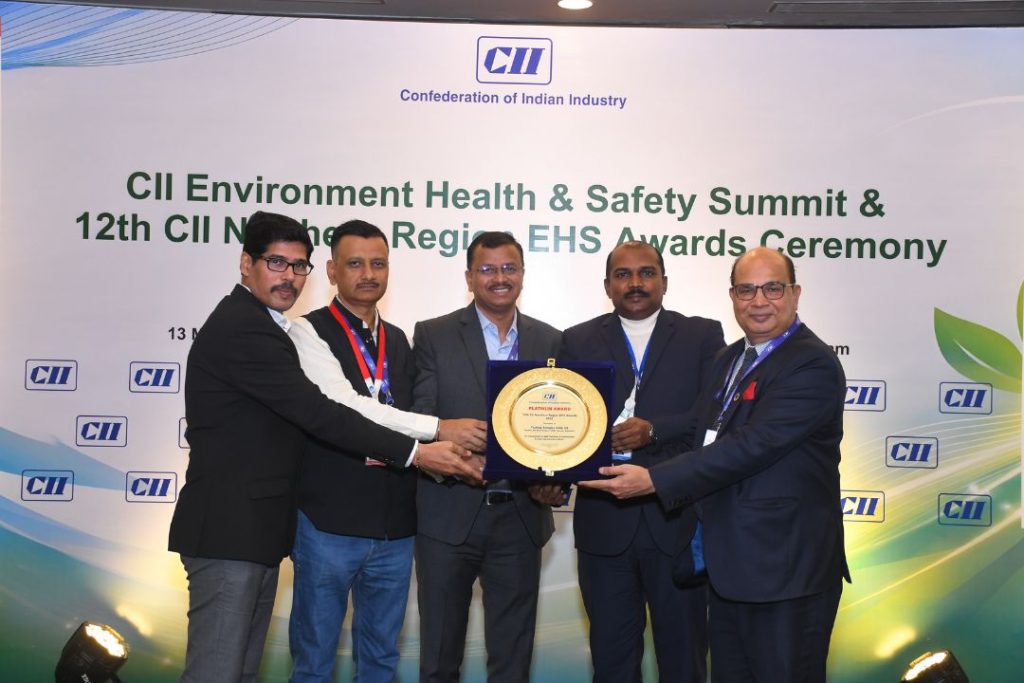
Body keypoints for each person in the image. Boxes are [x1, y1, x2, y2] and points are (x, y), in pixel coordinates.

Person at [167, 211, 481, 683]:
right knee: (220, 673)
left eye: (298, 266)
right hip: (231, 530)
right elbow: (323, 413)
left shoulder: (271, 325)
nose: (289, 277)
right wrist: (421, 448)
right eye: (276, 263)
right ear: (246, 264)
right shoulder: (249, 328)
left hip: (257, 531)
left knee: (241, 672)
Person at [581, 247, 850, 683]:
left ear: (795, 293)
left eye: (772, 288)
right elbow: (703, 428)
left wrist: (654, 479)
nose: (758, 301)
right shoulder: (731, 358)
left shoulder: (811, 363)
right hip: (729, 568)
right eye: (746, 290)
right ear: (732, 296)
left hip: (784, 568)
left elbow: (752, 445)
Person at [286, 219, 487, 683]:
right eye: (355, 264)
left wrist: (466, 456)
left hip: (396, 527)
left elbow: (413, 410)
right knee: (314, 661)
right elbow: (347, 406)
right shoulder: (306, 332)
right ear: (331, 271)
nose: (368, 274)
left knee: (380, 661)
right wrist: (442, 430)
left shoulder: (397, 339)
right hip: (329, 523)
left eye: (378, 264)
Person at [560, 241, 724, 682]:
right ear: (607, 286)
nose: (635, 283)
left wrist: (656, 430)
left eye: (647, 273)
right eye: (623, 274)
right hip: (604, 528)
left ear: (664, 282)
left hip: (676, 523)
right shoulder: (577, 340)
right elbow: (565, 423)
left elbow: (715, 417)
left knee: (685, 662)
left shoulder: (702, 335)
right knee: (612, 664)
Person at [411, 231, 562, 683]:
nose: (499, 278)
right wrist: (455, 449)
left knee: (512, 663)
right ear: (469, 278)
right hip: (448, 515)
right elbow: (420, 415)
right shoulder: (433, 334)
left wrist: (556, 479)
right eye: (487, 269)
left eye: (509, 268)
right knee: (439, 659)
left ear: (523, 275)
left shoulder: (551, 340)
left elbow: (563, 428)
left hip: (520, 517)